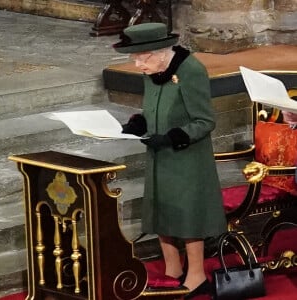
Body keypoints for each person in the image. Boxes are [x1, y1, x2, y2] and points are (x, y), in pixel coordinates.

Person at [113, 22, 227, 299]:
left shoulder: (191, 71)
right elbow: (152, 107)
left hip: (187, 156)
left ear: (159, 52)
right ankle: (173, 268)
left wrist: (172, 137)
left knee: (187, 214)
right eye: (135, 59)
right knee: (161, 208)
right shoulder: (153, 70)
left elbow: (205, 121)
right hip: (159, 154)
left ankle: (197, 275)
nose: (138, 64)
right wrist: (139, 123)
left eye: (142, 58)